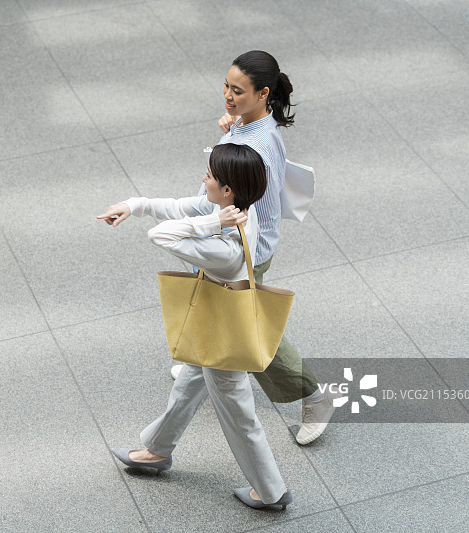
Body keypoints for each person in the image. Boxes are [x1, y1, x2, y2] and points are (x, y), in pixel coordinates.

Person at [97, 143, 292, 510]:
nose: (203, 179)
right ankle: (156, 450)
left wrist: (212, 224)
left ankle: (271, 492)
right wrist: (134, 205)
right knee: (188, 384)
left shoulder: (225, 245)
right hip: (212, 329)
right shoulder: (236, 211)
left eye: (210, 176)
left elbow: (162, 235)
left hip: (222, 340)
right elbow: (175, 207)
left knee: (240, 416)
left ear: (227, 190)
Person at [184, 50, 336, 445]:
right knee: (214, 306)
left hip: (241, 248)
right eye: (226, 86)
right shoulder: (255, 123)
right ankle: (195, 367)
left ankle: (313, 396)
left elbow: (237, 202)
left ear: (263, 92)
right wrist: (232, 126)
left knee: (250, 329)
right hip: (228, 240)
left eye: (238, 91)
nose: (227, 96)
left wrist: (199, 227)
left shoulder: (259, 147)